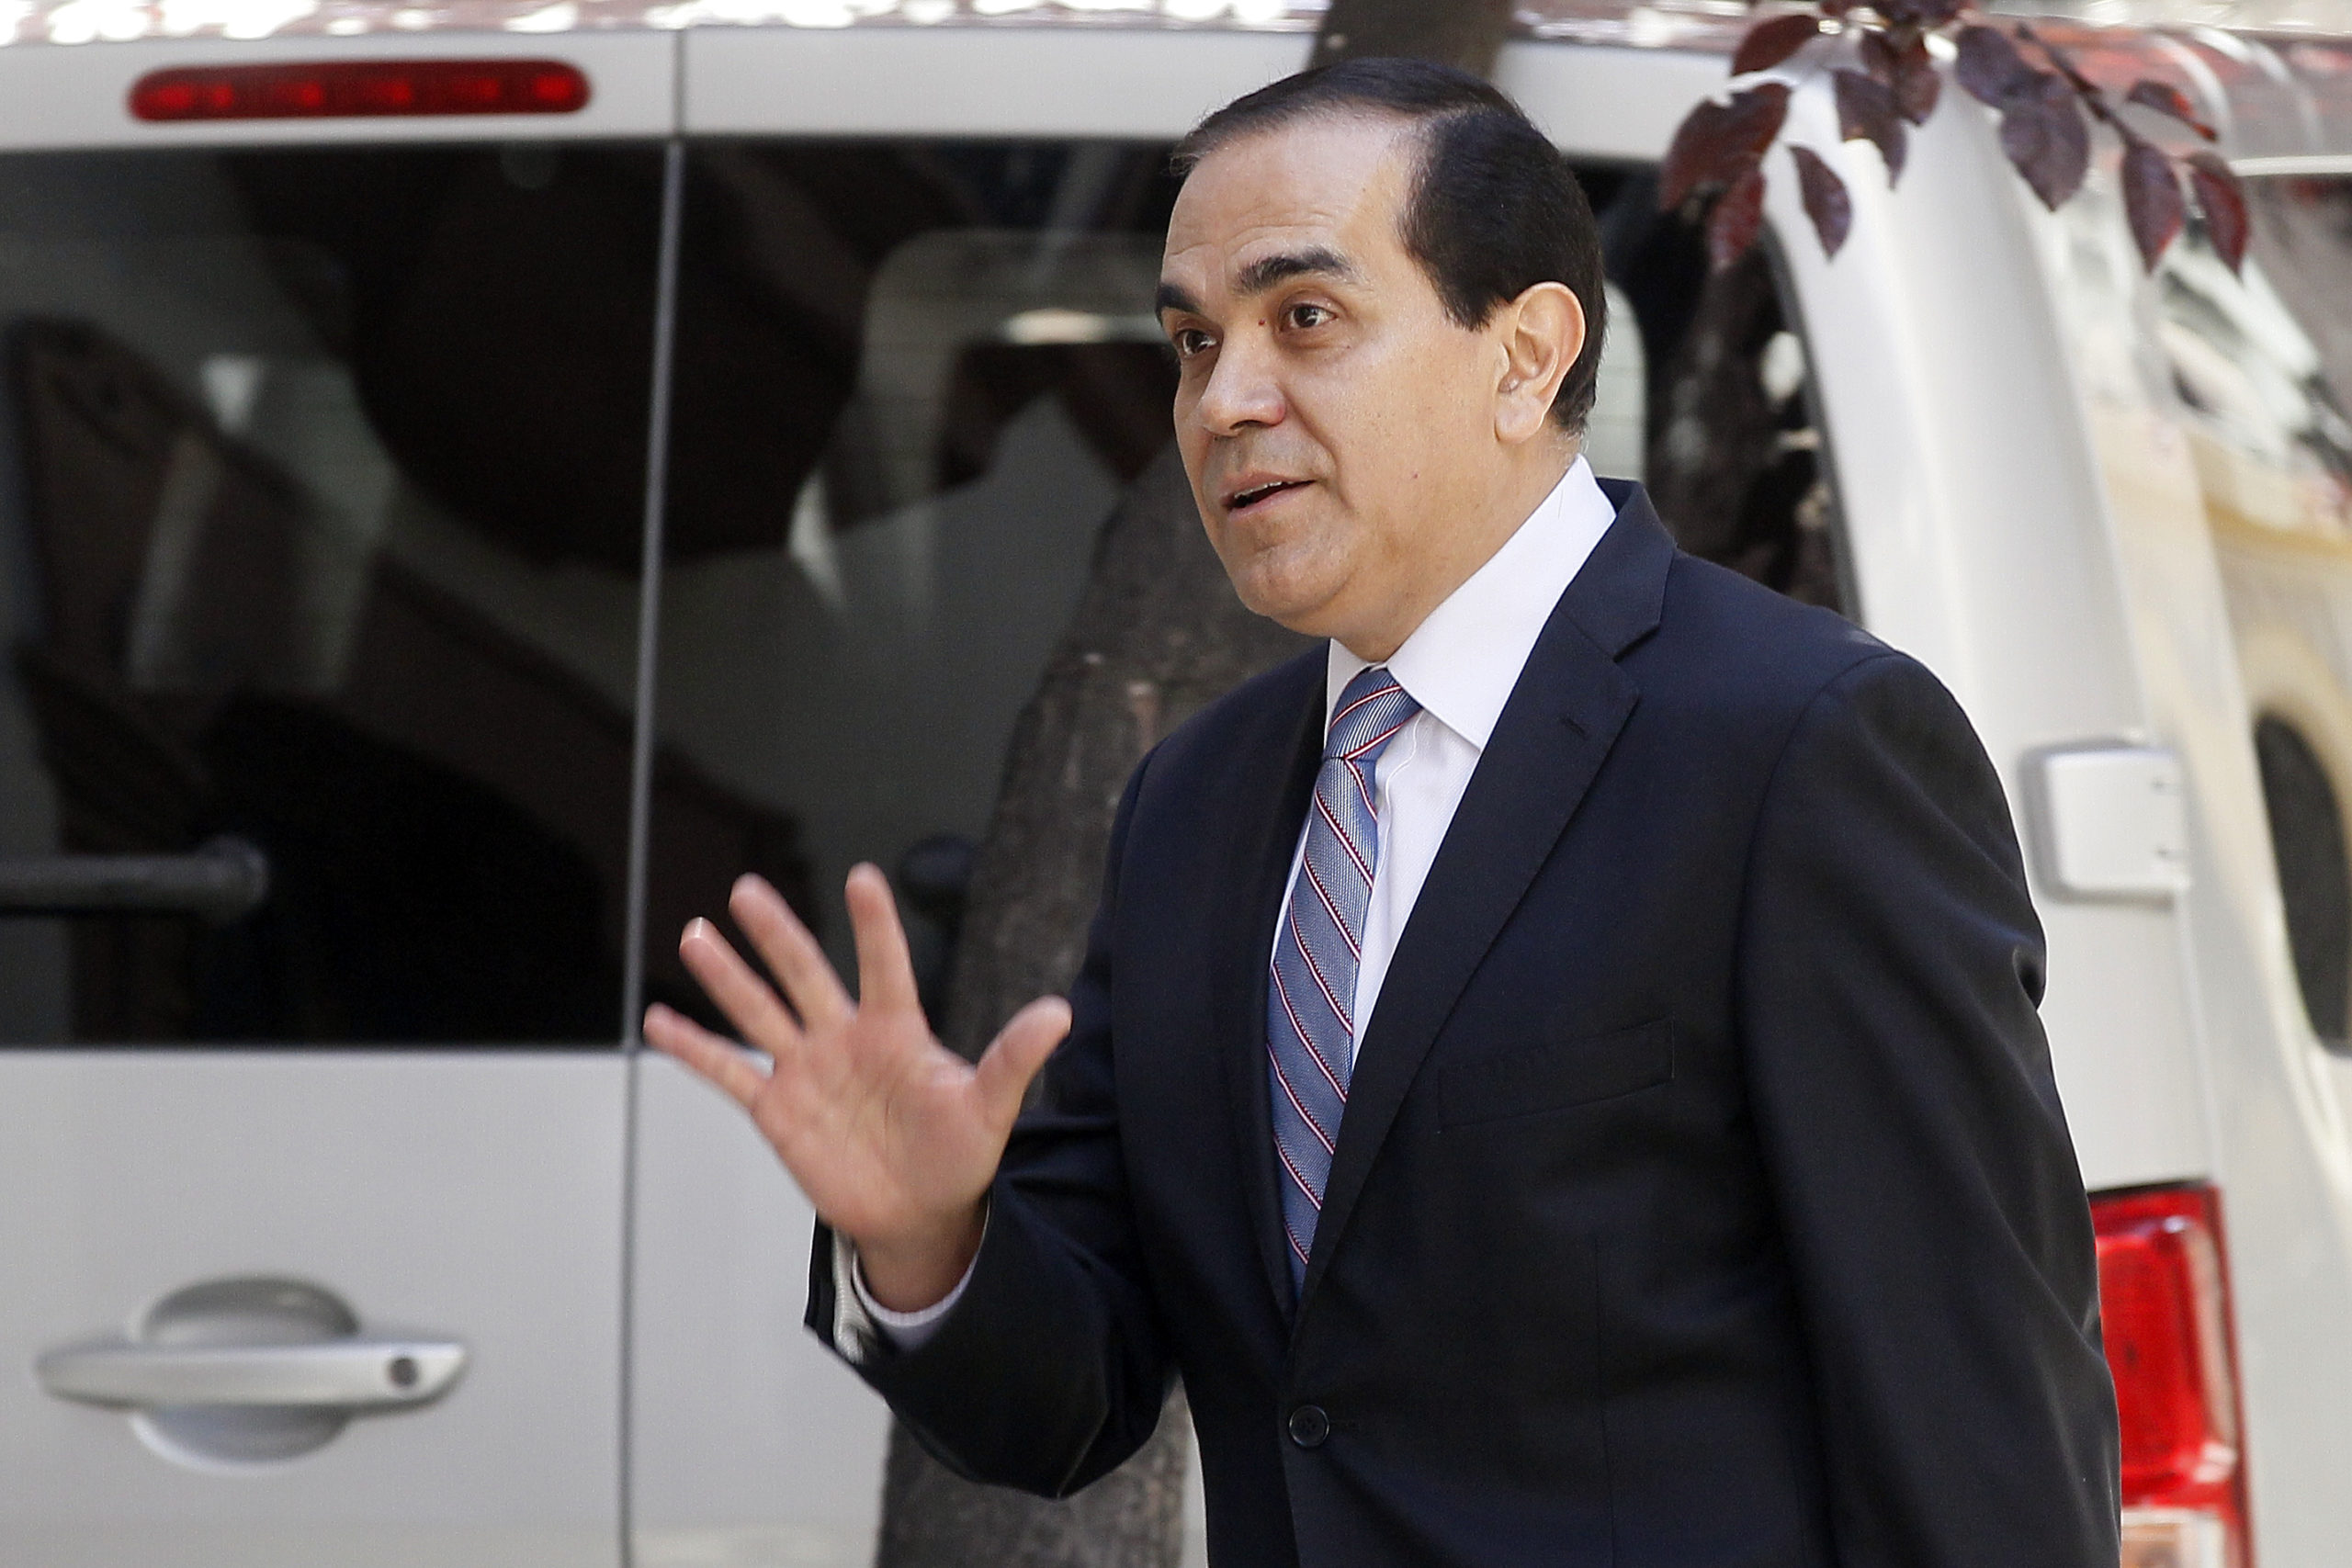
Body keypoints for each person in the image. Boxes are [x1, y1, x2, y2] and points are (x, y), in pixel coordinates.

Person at [644, 59, 2121, 1568]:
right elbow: (1071, 1400)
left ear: (1526, 355)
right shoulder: (1196, 809)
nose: (1224, 401)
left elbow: (1977, 1432)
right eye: (1193, 341)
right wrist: (928, 1246)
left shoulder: (1802, 748)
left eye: (1304, 318)